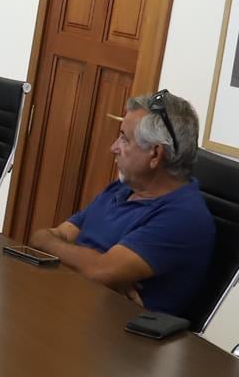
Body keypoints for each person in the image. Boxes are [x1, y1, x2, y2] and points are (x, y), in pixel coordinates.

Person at [28, 90, 215, 313]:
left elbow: (99, 271)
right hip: (75, 305)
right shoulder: (123, 188)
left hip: (121, 337)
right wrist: (90, 266)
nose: (113, 147)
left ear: (155, 154)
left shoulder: (184, 217)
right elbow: (42, 238)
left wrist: (95, 267)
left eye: (124, 138)